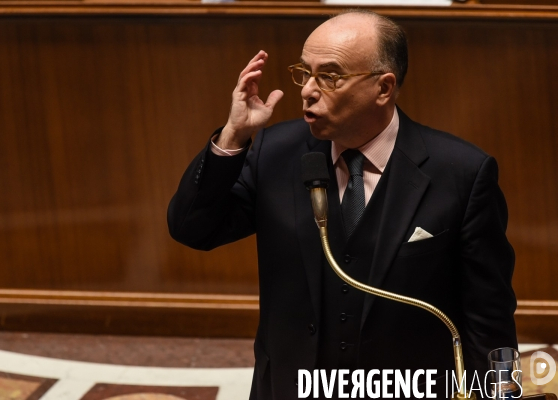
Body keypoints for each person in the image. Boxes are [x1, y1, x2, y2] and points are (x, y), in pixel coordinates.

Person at [168, 9, 517, 400]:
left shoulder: (462, 173)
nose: (307, 90)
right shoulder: (274, 153)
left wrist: (502, 393)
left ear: (384, 88)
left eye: (329, 76)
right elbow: (191, 229)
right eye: (305, 72)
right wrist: (233, 136)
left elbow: (489, 317)